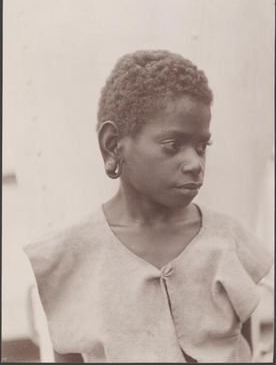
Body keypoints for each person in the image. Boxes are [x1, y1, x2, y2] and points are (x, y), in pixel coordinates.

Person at [24, 50, 272, 363]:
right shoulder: (70, 257)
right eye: (173, 146)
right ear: (113, 144)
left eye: (201, 147)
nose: (195, 163)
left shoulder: (228, 241)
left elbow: (244, 350)